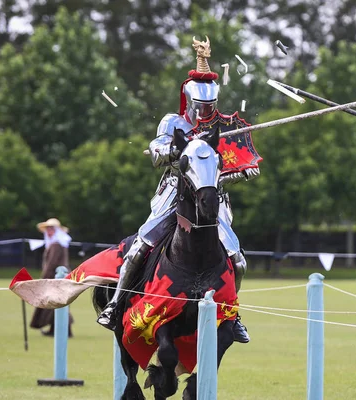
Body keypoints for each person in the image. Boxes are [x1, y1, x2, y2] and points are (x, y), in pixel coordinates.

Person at [96, 36, 261, 344]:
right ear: (189, 102)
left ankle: (233, 314)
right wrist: (178, 150)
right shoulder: (173, 122)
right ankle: (116, 303)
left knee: (238, 260)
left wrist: (244, 173)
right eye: (200, 106)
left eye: (210, 106)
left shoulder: (222, 129)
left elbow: (225, 170)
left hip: (212, 195)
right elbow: (156, 153)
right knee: (139, 248)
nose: (205, 111)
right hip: (175, 193)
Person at [30, 218, 74, 337]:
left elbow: (51, 264)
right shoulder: (58, 243)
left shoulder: (56, 244)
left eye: (51, 228)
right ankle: (55, 330)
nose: (48, 231)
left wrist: (43, 279)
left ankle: (64, 330)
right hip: (59, 276)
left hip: (56, 277)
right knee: (57, 304)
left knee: (55, 304)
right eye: (47, 229)